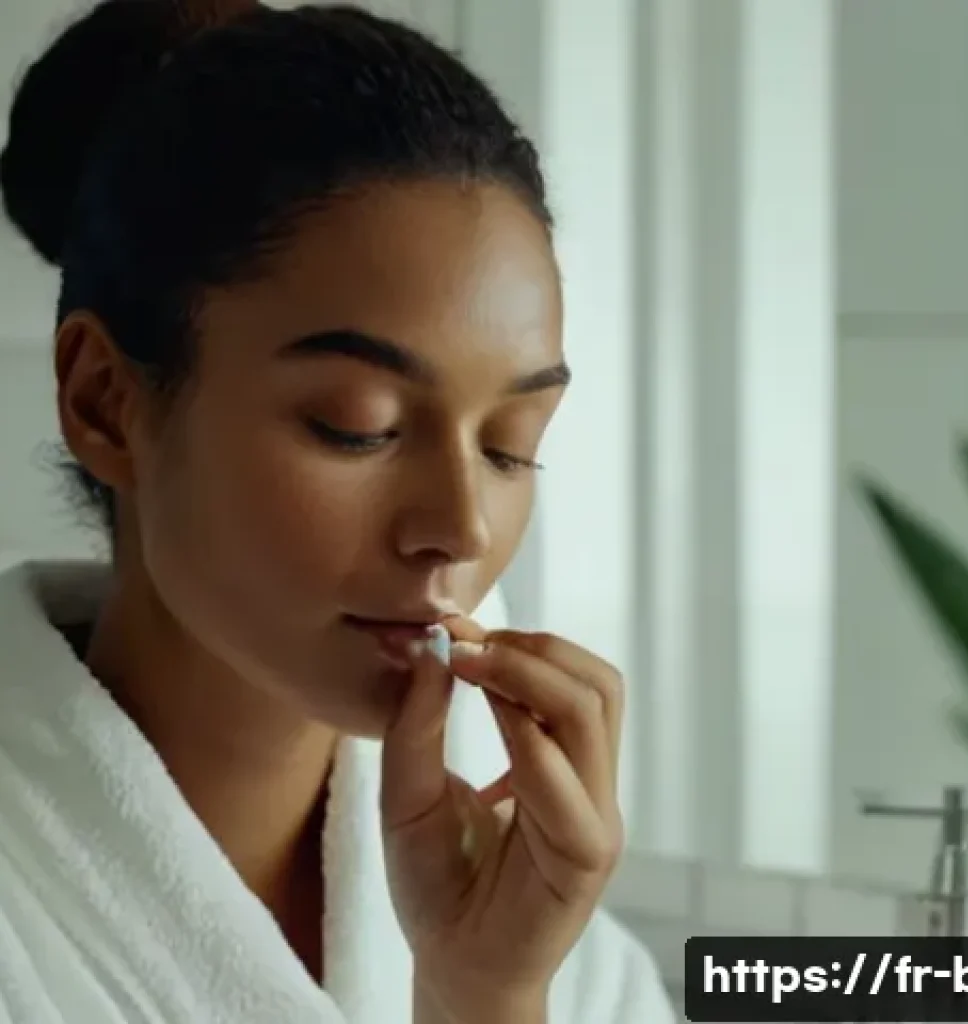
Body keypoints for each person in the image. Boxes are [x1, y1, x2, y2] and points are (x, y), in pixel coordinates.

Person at [0, 2, 677, 1022]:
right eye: (355, 426)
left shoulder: (560, 952)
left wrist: (485, 994)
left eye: (510, 445)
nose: (460, 525)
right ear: (106, 401)